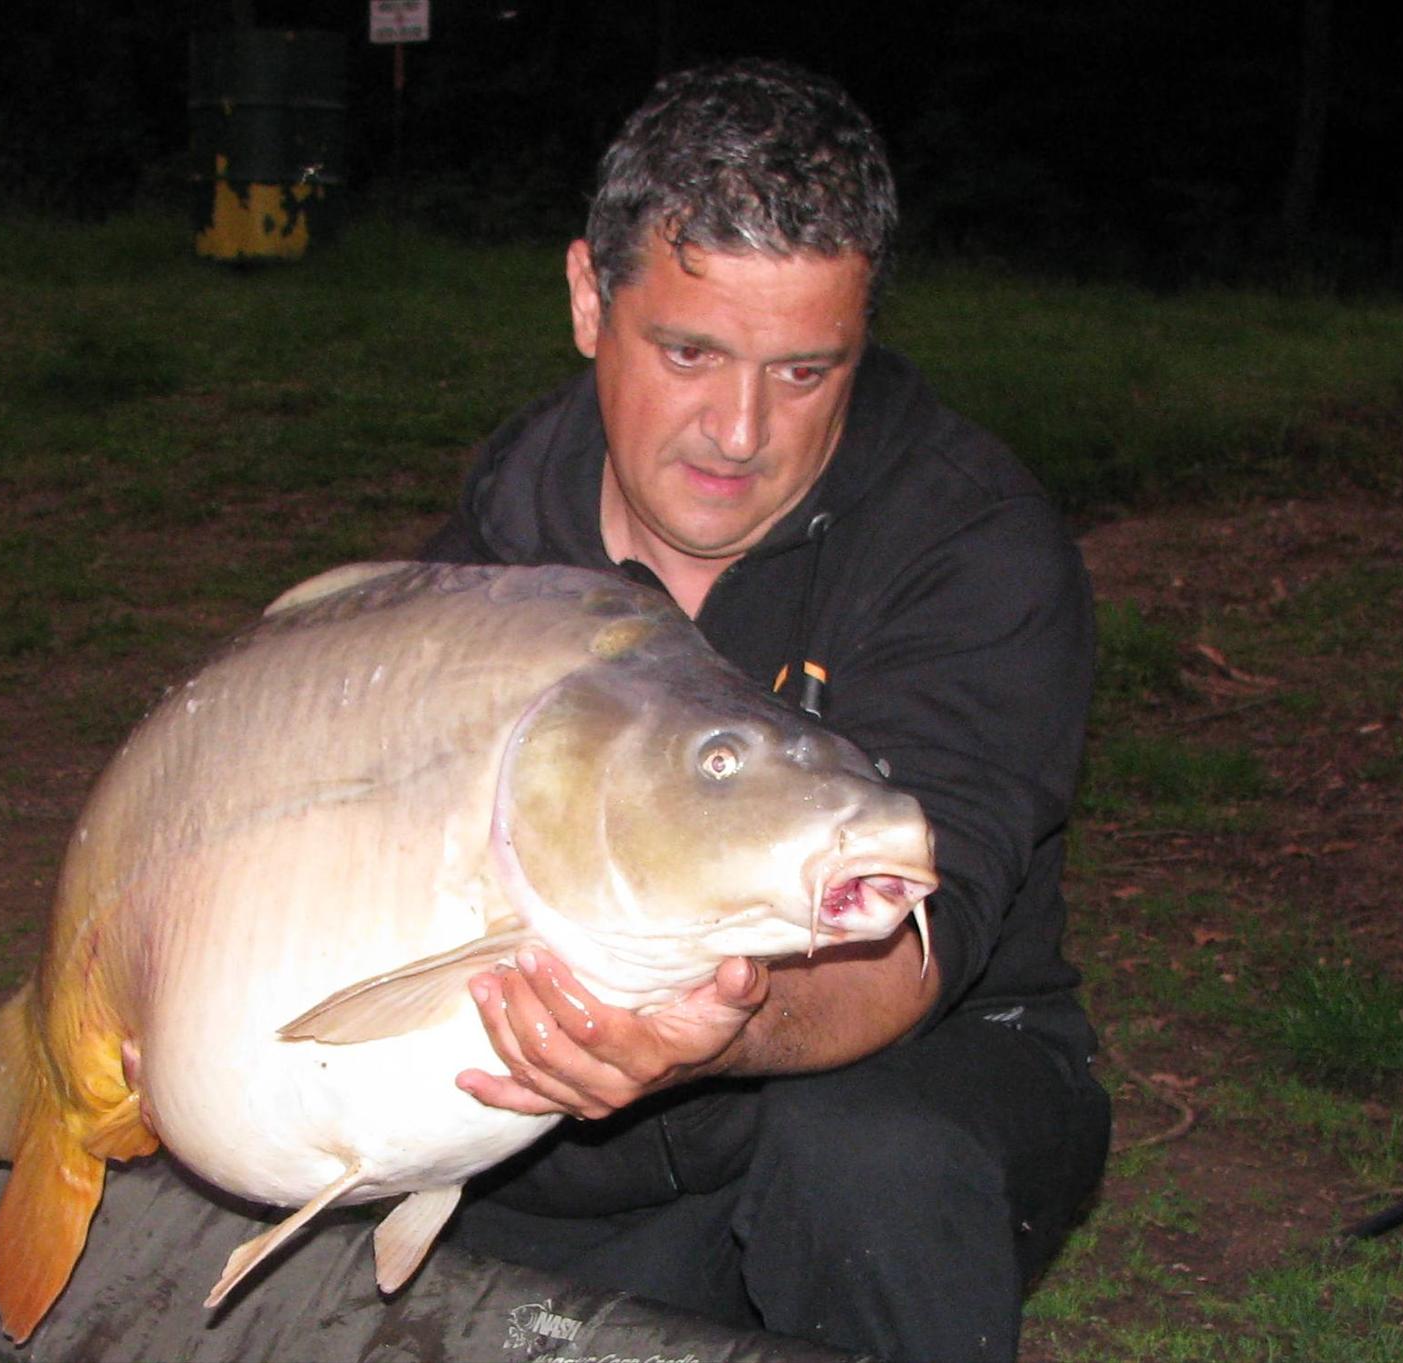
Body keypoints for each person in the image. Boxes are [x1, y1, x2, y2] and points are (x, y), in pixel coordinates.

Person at [420, 58, 1111, 1362]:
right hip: (585, 1141)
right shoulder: (489, 571)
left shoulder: (968, 544)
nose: (739, 431)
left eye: (805, 373)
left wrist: (705, 1031)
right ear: (587, 298)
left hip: (924, 1074)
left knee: (864, 1156)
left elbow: (917, 934)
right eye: (690, 352)